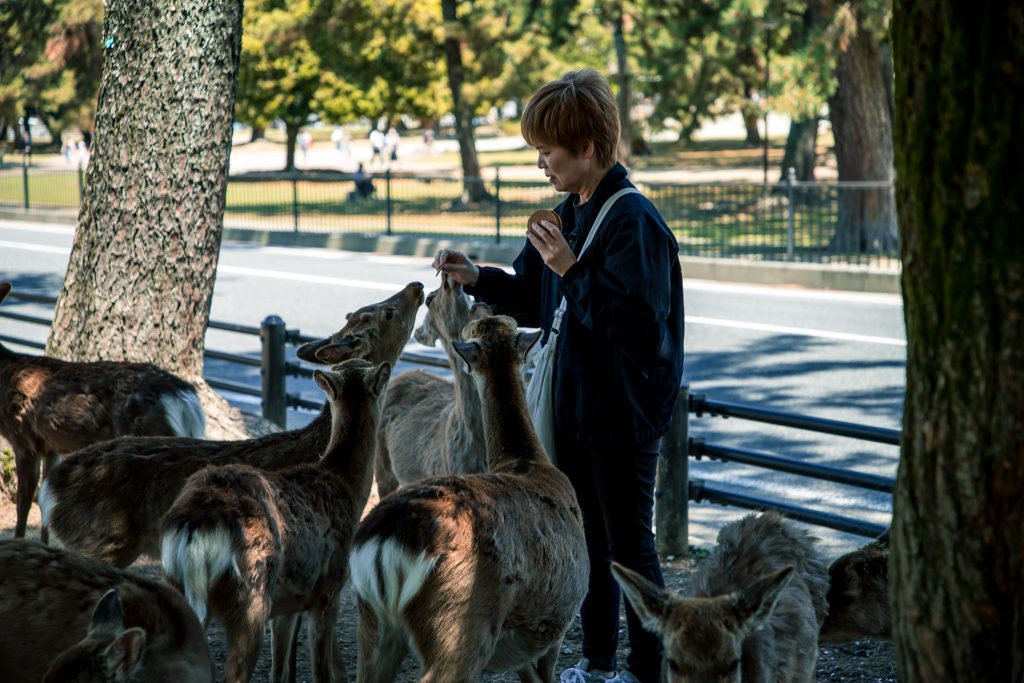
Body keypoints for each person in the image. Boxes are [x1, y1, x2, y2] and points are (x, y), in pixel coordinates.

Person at [433, 68, 684, 683]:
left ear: (589, 149)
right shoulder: (565, 214)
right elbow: (533, 298)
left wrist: (570, 268)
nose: (541, 164)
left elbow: (636, 324)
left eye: (548, 152)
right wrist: (478, 278)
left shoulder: (635, 221)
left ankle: (646, 669)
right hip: (571, 408)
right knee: (587, 542)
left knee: (629, 543)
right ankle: (598, 663)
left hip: (621, 414)